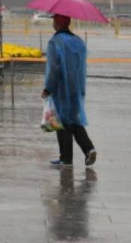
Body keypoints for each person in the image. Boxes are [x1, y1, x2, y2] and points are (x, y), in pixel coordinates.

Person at [42, 13, 97, 167]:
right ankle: (89, 149)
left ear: (58, 23)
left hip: (61, 88)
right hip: (77, 88)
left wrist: (48, 88)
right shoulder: (78, 41)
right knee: (73, 120)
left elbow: (54, 68)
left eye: (54, 20)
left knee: (61, 122)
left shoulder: (55, 42)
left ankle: (65, 158)